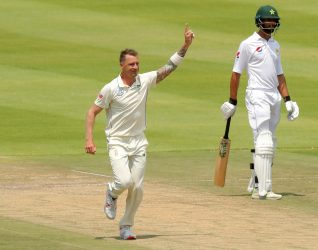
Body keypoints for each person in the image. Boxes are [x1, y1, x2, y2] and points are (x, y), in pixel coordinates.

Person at [85, 25, 194, 239]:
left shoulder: (144, 81)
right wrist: (89, 140)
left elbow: (169, 67)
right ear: (121, 65)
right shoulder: (111, 88)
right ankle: (112, 192)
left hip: (138, 142)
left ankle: (126, 226)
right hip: (117, 141)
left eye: (137, 64)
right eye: (131, 64)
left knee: (138, 187)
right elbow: (92, 112)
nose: (135, 67)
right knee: (124, 182)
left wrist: (185, 45)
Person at [221, 5, 299, 200]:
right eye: (267, 21)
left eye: (273, 21)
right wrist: (232, 101)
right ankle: (263, 189)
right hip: (257, 94)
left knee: (269, 141)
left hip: (273, 95)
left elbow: (280, 74)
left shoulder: (275, 44)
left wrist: (288, 99)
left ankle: (257, 184)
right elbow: (236, 73)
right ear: (259, 21)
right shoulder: (247, 44)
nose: (271, 24)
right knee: (263, 137)